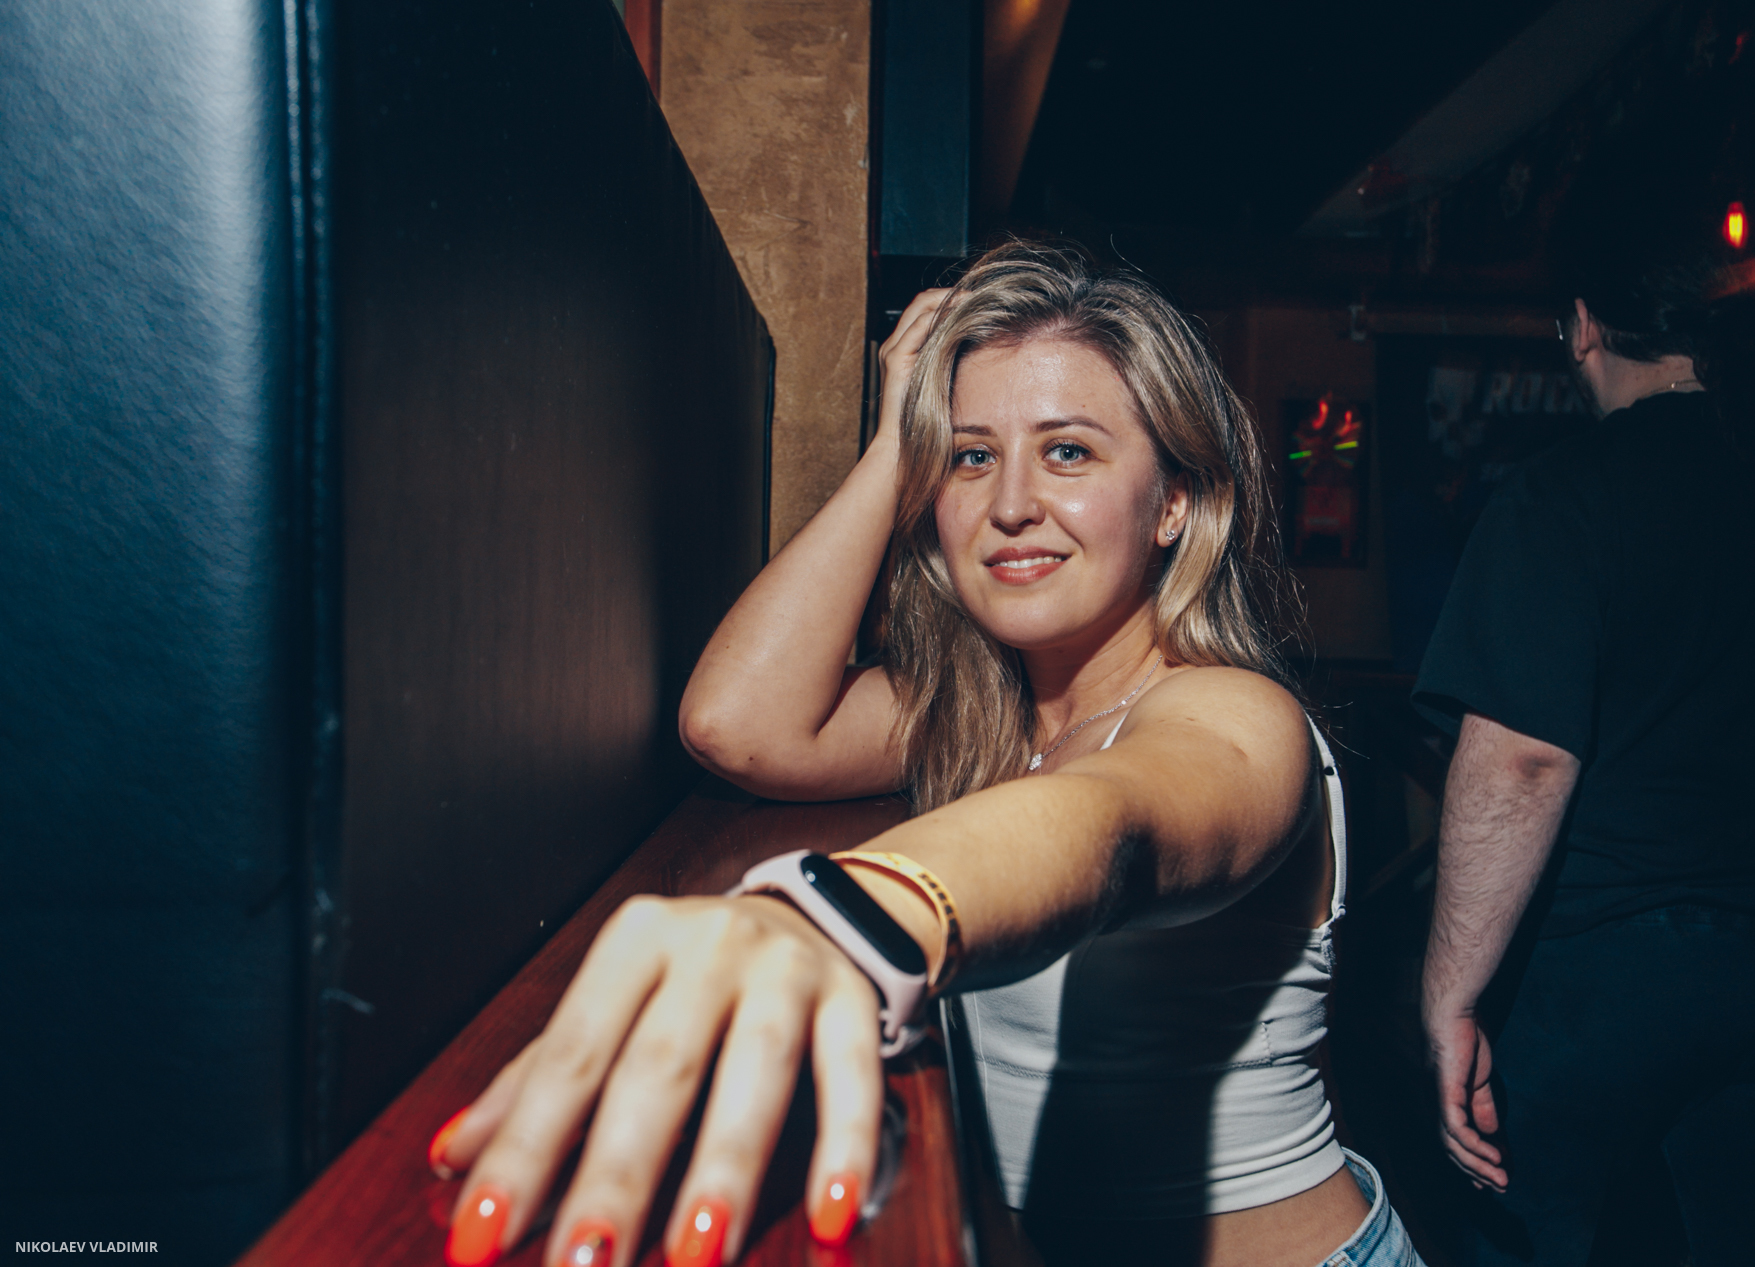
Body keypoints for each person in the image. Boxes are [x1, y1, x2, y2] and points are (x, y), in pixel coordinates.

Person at [422, 242, 1425, 1267]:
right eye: (972, 457)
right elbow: (736, 724)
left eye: (1068, 452)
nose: (1009, 504)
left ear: (1174, 502)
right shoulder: (978, 715)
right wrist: (898, 441)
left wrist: (829, 920)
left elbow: (1104, 824)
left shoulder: (1237, 713)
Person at [1415, 244, 1755, 1266]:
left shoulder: (1566, 491)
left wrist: (1450, 995)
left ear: (1585, 324)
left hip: (1613, 976)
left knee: (1535, 1234)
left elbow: (1522, 763)